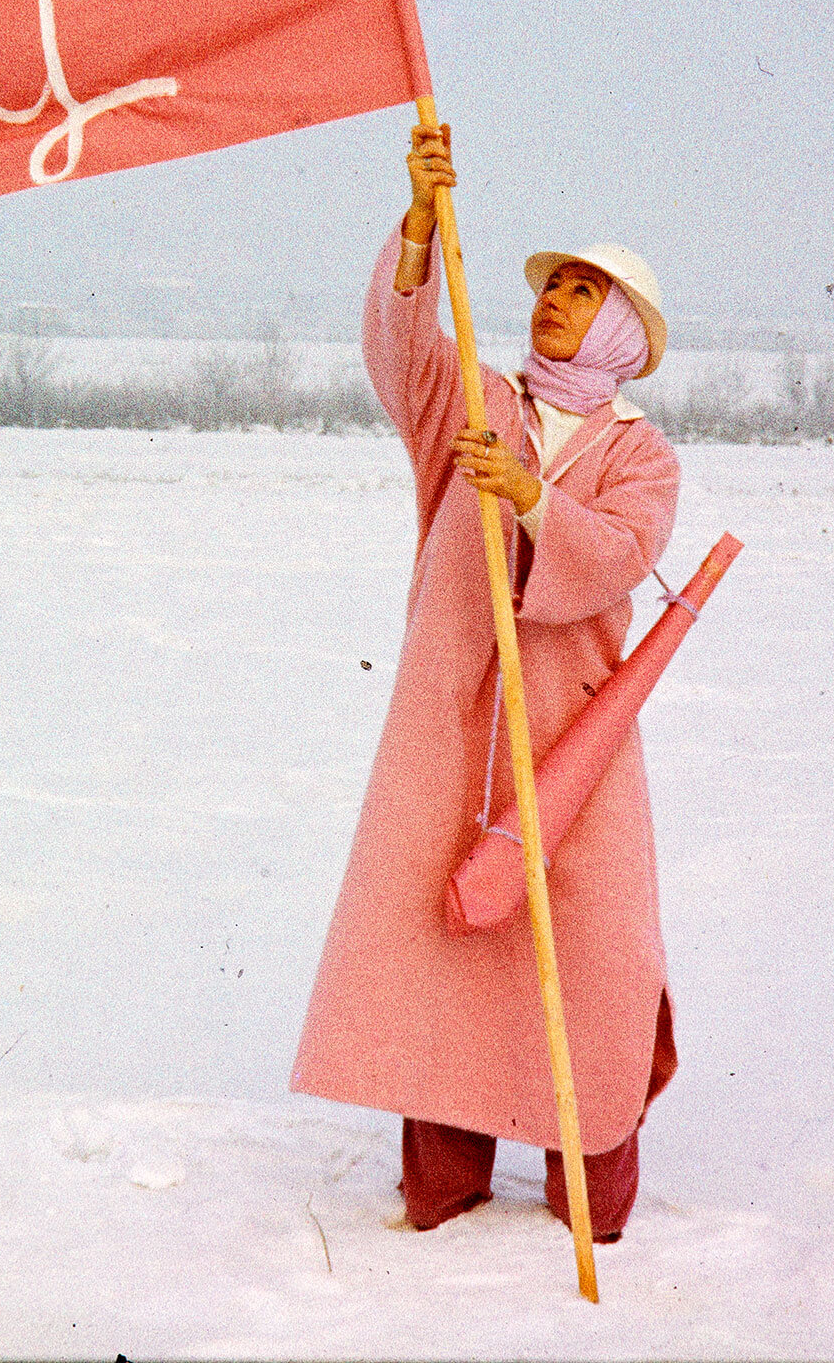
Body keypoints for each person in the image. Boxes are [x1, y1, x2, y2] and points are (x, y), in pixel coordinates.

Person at [290, 122, 680, 1240]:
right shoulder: (475, 398)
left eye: (582, 291)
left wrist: (531, 498)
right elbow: (399, 348)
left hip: (577, 737)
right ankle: (444, 1183)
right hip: (457, 723)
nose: (556, 301)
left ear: (622, 328)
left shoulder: (641, 453)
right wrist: (421, 221)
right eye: (553, 284)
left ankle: (588, 1189)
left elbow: (620, 554)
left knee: (595, 948)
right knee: (446, 938)